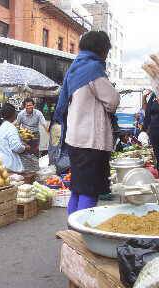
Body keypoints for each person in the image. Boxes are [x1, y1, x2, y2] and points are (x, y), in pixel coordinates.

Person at [53, 31, 120, 214]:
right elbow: (113, 101)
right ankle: (80, 235)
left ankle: (71, 232)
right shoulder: (93, 70)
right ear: (100, 50)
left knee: (78, 189)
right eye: (107, 50)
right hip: (91, 141)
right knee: (90, 191)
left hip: (76, 140)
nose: (107, 54)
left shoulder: (76, 67)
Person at [0, 103, 31, 173]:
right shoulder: (10, 127)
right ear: (13, 114)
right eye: (15, 112)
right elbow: (16, 147)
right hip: (7, 165)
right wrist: (26, 147)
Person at [144, 91, 159, 179]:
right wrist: (146, 128)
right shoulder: (153, 96)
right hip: (153, 130)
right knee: (156, 154)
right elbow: (147, 112)